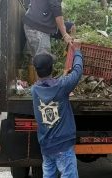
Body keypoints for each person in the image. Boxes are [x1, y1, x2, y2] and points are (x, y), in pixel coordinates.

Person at [31, 43, 83, 178]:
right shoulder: (62, 86)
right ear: (52, 68)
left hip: (46, 146)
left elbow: (48, 84)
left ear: (36, 71)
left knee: (48, 175)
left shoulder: (35, 90)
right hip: (63, 145)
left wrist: (63, 75)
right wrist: (77, 51)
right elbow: (77, 71)